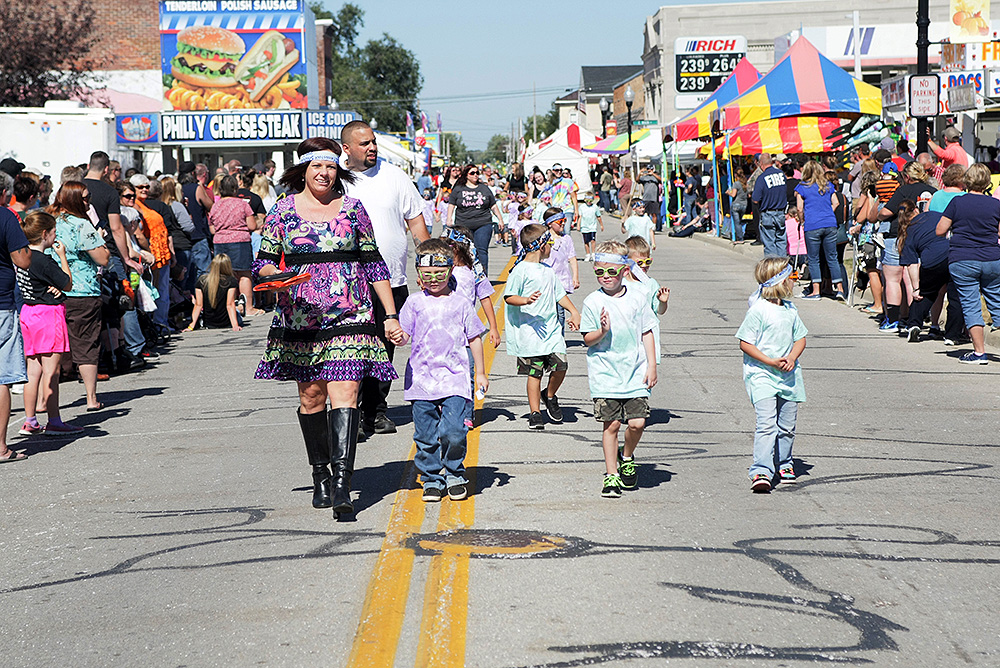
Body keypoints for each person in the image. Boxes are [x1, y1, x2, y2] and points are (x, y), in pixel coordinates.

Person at [253, 136, 403, 517]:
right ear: (303, 170)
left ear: (339, 170)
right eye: (317, 166)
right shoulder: (282, 211)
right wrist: (276, 275)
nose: (324, 173)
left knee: (347, 393)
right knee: (312, 398)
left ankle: (342, 483)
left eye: (331, 166)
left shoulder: (353, 209)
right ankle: (319, 473)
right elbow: (263, 263)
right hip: (302, 314)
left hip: (352, 313)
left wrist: (389, 315)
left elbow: (373, 263)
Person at [340, 120, 429, 437]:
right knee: (353, 350)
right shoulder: (336, 180)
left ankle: (375, 412)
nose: (372, 147)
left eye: (373, 141)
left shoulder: (395, 176)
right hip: (349, 284)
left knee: (383, 348)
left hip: (392, 280)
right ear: (347, 149)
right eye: (364, 143)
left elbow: (416, 222)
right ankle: (351, 414)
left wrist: (428, 265)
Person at [396, 239, 489, 502]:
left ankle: (455, 473)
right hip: (422, 380)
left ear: (450, 272)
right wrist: (396, 336)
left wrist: (480, 373)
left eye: (440, 274)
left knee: (454, 431)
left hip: (455, 378)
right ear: (419, 275)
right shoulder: (414, 303)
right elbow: (405, 335)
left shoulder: (460, 304)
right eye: (428, 276)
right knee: (425, 434)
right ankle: (432, 478)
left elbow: (474, 338)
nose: (434, 280)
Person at [581, 240, 658, 498]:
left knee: (637, 423)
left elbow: (647, 332)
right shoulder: (593, 301)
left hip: (635, 371)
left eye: (611, 272)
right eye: (599, 272)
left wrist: (652, 365)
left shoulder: (638, 297)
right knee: (611, 424)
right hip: (605, 373)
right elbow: (587, 339)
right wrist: (602, 331)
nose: (605, 277)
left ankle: (626, 456)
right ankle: (611, 475)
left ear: (625, 271)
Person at [736, 257, 807, 493]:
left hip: (788, 376)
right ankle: (761, 471)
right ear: (780, 281)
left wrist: (792, 357)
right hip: (762, 375)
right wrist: (770, 361)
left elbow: (800, 338)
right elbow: (746, 343)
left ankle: (784, 462)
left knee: (786, 426)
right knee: (767, 424)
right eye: (792, 278)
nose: (794, 282)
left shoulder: (790, 310)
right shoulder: (758, 311)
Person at [504, 223, 580, 429]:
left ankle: (549, 395)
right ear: (540, 246)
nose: (552, 246)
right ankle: (535, 412)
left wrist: (574, 311)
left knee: (561, 365)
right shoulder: (520, 271)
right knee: (535, 372)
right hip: (530, 331)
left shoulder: (547, 270)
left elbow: (559, 295)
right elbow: (509, 296)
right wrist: (525, 300)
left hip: (551, 328)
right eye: (549, 243)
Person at [14, 211, 82, 435]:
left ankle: (30, 419)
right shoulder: (44, 259)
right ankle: (54, 420)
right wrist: (62, 256)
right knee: (52, 372)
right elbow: (68, 283)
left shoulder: (21, 257)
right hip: (47, 315)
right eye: (53, 232)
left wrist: (53, 287)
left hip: (29, 312)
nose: (56, 236)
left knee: (33, 370)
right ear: (44, 234)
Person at [48, 181, 110, 411]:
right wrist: (101, 238)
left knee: (54, 348)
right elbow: (102, 258)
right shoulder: (82, 225)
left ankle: (46, 400)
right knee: (85, 343)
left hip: (55, 290)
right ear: (74, 200)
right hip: (82, 290)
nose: (89, 201)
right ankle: (91, 397)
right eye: (85, 197)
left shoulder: (51, 224)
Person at [935, 163, 1000, 365]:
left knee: (971, 305)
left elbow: (940, 230)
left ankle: (979, 353)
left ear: (966, 180)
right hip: (991, 258)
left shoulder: (957, 202)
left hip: (963, 258)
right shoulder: (996, 204)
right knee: (997, 302)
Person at [874, 162, 936, 332]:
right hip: (925, 238)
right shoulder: (933, 192)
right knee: (912, 281)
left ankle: (893, 320)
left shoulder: (903, 191)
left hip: (899, 235)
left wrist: (879, 213)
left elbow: (886, 212)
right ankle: (912, 319)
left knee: (893, 278)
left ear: (907, 176)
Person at [897, 200, 965, 344]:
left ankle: (914, 324)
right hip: (955, 254)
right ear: (916, 209)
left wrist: (916, 288)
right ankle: (952, 335)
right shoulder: (933, 215)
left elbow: (912, 264)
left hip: (932, 261)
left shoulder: (908, 231)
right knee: (956, 296)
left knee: (925, 293)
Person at [0, 196, 31, 463]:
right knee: (1, 378)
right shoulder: (5, 216)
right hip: (1, 304)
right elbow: (22, 260)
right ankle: (0, 447)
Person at [208, 175, 259, 316]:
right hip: (240, 241)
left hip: (220, 242)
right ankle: (248, 307)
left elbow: (212, 229)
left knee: (223, 275)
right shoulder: (242, 204)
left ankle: (227, 306)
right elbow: (252, 225)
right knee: (244, 274)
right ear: (235, 189)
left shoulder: (215, 206)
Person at [795, 161, 845, 301]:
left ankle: (816, 290)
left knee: (813, 258)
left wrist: (802, 220)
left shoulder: (802, 187)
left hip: (812, 225)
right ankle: (840, 289)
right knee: (832, 257)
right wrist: (828, 213)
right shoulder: (827, 185)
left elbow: (799, 208)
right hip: (829, 223)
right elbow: (836, 203)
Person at [130, 174, 173, 334]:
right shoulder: (134, 206)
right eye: (140, 187)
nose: (145, 189)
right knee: (155, 290)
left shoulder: (144, 205)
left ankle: (159, 323)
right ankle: (156, 325)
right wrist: (147, 251)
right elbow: (138, 233)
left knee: (160, 289)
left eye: (147, 186)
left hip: (160, 252)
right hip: (150, 252)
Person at [446, 164, 504, 273]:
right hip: (463, 224)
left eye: (477, 173)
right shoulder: (458, 189)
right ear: (466, 175)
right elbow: (451, 204)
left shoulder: (484, 188)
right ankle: (467, 275)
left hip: (483, 223)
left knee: (481, 250)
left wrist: (500, 219)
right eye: (472, 173)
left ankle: (482, 277)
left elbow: (493, 205)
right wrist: (449, 219)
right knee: (464, 251)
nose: (476, 175)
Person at [624, 235, 669, 364]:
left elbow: (659, 311)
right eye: (639, 263)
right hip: (627, 337)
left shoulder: (651, 284)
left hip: (647, 338)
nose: (644, 266)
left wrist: (663, 302)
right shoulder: (620, 284)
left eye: (647, 262)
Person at [186, 253, 241, 332]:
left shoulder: (202, 281)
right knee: (237, 311)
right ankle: (241, 306)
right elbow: (230, 304)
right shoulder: (230, 281)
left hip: (209, 323)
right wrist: (235, 325)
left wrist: (191, 326)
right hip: (226, 322)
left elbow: (198, 304)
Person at [179, 162, 214, 285]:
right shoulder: (196, 188)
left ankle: (189, 300)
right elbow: (210, 206)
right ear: (193, 173)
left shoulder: (176, 188)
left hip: (181, 237)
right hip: (198, 235)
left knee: (185, 274)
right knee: (204, 271)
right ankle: (204, 298)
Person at [752, 153, 788, 257]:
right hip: (781, 213)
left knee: (769, 244)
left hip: (768, 214)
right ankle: (782, 267)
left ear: (761, 163)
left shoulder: (762, 178)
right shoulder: (781, 175)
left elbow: (755, 199)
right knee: (781, 242)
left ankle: (773, 270)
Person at [723, 169, 748, 242]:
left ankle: (740, 238)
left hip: (736, 205)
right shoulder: (746, 184)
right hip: (744, 205)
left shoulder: (736, 184)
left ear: (736, 175)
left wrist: (728, 193)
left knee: (737, 223)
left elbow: (733, 195)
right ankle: (740, 236)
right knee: (739, 222)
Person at [578, 192, 604, 261]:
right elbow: (580, 217)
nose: (589, 202)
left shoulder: (595, 207)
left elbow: (598, 216)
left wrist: (601, 225)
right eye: (587, 200)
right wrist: (578, 225)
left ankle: (593, 254)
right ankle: (588, 254)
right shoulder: (582, 207)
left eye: (590, 201)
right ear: (584, 200)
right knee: (586, 242)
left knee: (593, 240)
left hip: (592, 226)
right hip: (584, 227)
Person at [638, 166, 662, 231]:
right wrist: (640, 173)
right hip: (646, 198)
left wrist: (653, 174)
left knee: (654, 213)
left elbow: (661, 180)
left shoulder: (656, 177)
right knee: (645, 213)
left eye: (650, 169)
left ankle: (653, 226)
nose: (649, 170)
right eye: (648, 169)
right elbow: (637, 180)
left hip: (654, 198)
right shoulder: (645, 177)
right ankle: (646, 225)